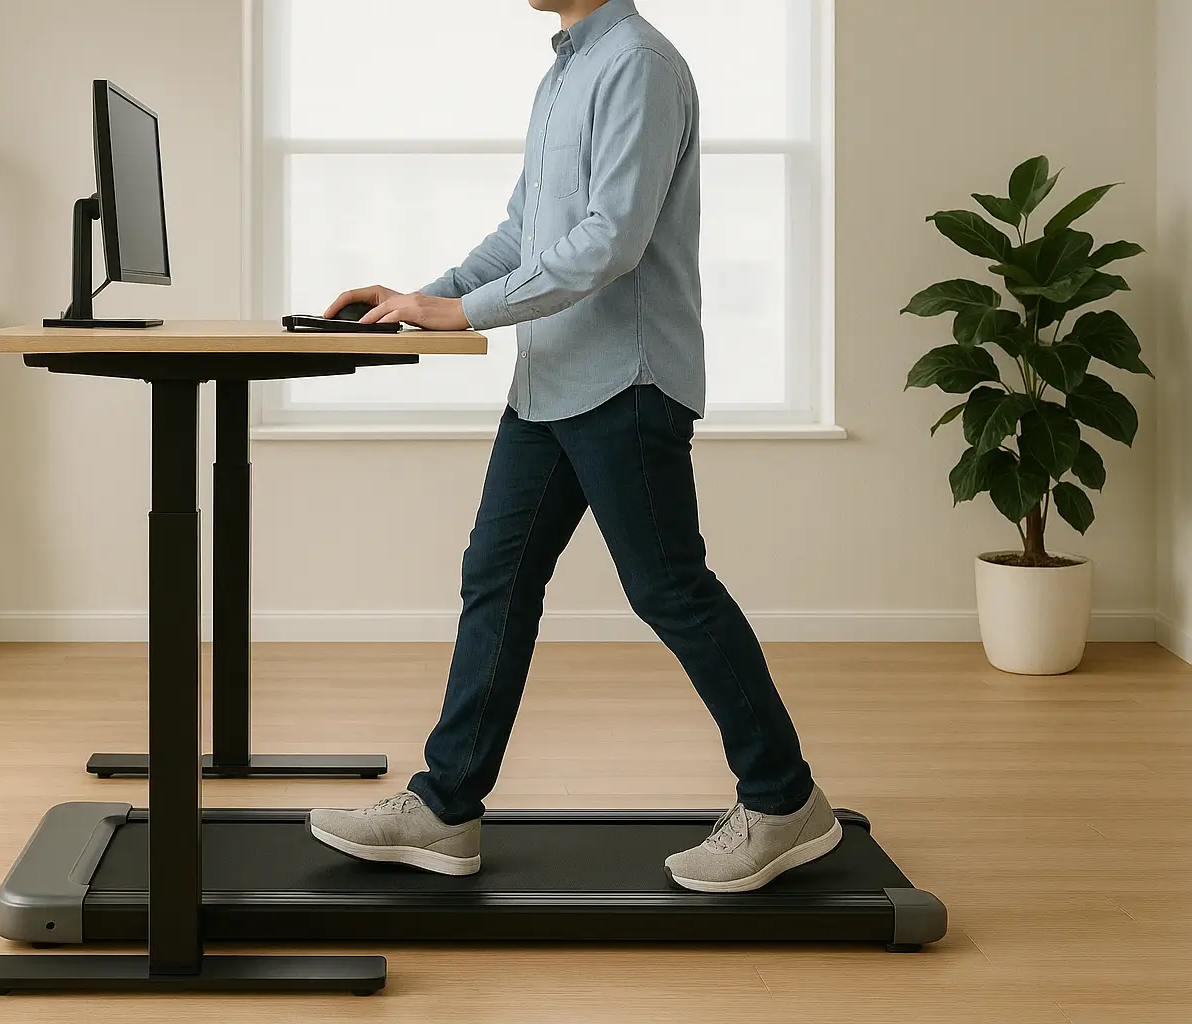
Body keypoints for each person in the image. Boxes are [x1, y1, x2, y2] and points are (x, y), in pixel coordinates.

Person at [307, 0, 839, 893]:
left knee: (671, 589)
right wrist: (417, 301)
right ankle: (446, 808)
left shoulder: (638, 64)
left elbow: (610, 240)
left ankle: (784, 800)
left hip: (624, 379)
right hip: (548, 382)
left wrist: (465, 313)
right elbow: (525, 232)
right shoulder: (565, 70)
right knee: (497, 577)